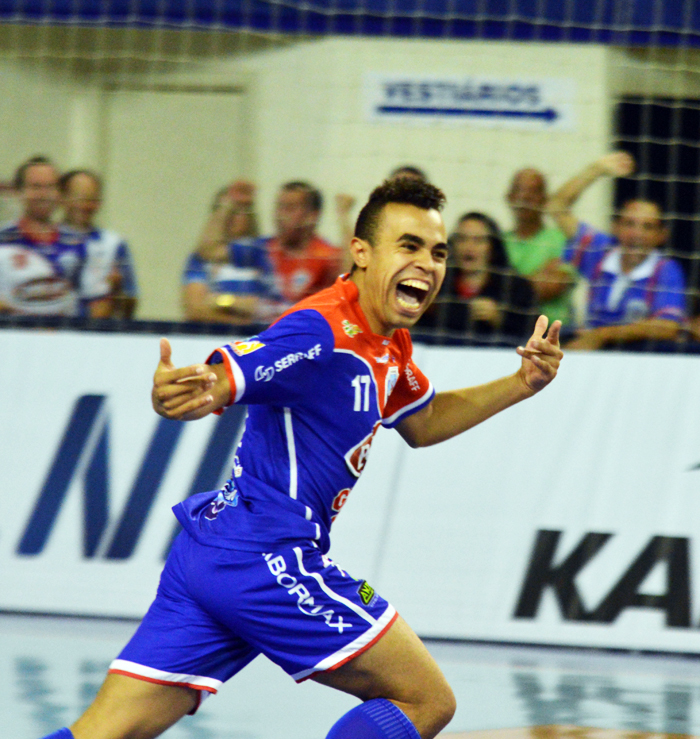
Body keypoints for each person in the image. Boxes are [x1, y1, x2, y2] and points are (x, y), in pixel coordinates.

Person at [42, 178, 562, 739]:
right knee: (424, 700)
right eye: (408, 246)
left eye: (438, 252)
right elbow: (230, 375)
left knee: (104, 732)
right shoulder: (321, 330)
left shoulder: (387, 342)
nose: (428, 264)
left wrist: (521, 383)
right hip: (266, 557)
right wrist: (189, 390)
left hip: (211, 555)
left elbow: (426, 421)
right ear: (362, 253)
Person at [548, 151, 687, 350]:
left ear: (661, 236)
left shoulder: (666, 269)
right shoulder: (600, 251)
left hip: (636, 358)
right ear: (616, 227)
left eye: (647, 227)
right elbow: (556, 206)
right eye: (629, 223)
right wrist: (596, 170)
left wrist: (602, 335)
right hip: (588, 353)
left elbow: (669, 326)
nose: (637, 233)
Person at [197, 181, 342, 312]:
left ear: (312, 215)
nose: (280, 215)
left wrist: (344, 217)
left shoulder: (325, 255)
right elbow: (209, 250)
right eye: (279, 207)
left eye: (290, 208)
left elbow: (354, 283)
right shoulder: (263, 249)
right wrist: (228, 203)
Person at [0, 156, 111, 317]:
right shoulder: (4, 240)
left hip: (66, 339)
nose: (44, 194)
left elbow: (98, 303)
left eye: (50, 187)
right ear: (19, 191)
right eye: (36, 187)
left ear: (60, 193)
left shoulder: (80, 244)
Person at [418, 212, 536, 342]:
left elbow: (534, 331)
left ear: (492, 247)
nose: (469, 247)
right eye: (462, 239)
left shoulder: (515, 286)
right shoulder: (436, 282)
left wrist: (500, 319)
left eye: (478, 240)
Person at [183, 180, 276, 325]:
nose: (230, 217)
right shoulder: (200, 259)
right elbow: (195, 309)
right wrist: (240, 320)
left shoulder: (263, 253)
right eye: (226, 211)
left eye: (238, 211)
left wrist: (217, 301)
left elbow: (268, 306)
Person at [60, 169, 139, 319]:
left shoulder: (114, 245)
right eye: (79, 198)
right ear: (62, 198)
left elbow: (131, 304)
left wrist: (117, 290)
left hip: (97, 334)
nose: (85, 206)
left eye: (92, 200)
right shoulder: (46, 240)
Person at [504, 168, 574, 325]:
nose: (525, 197)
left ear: (545, 199)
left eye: (533, 191)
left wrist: (508, 284)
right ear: (509, 197)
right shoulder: (499, 241)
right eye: (519, 190)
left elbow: (552, 286)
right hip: (507, 330)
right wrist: (536, 277)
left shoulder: (561, 239)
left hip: (554, 333)